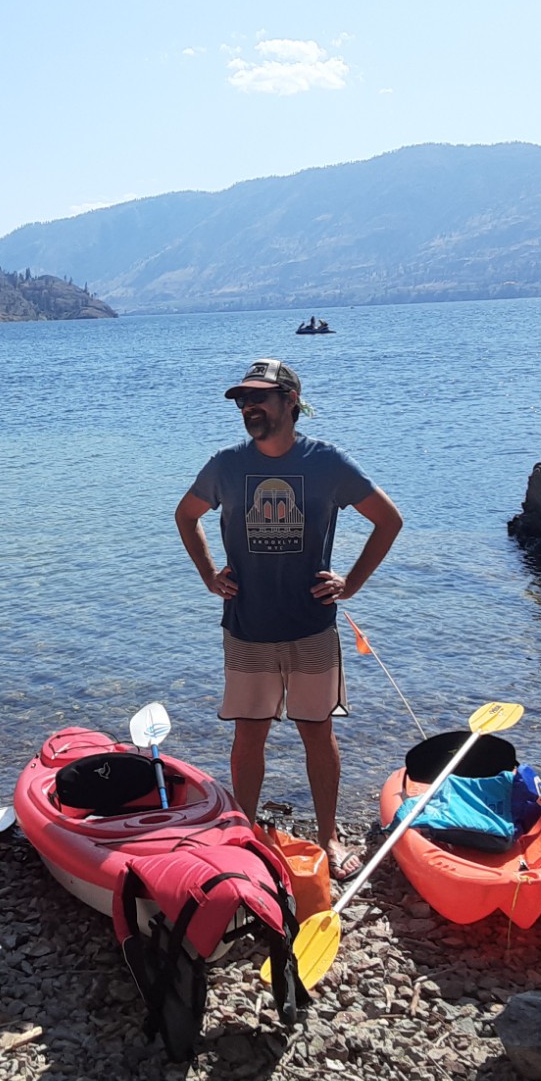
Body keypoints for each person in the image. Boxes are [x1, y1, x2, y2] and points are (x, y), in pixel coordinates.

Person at [175, 359, 402, 879]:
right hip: (248, 626)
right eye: (242, 400)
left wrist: (353, 582)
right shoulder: (226, 466)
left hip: (311, 627)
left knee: (316, 731)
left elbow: (389, 520)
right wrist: (210, 574)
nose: (248, 407)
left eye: (260, 398)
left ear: (291, 402)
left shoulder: (328, 464)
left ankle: (328, 835)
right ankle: (243, 835)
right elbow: (185, 516)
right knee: (249, 734)